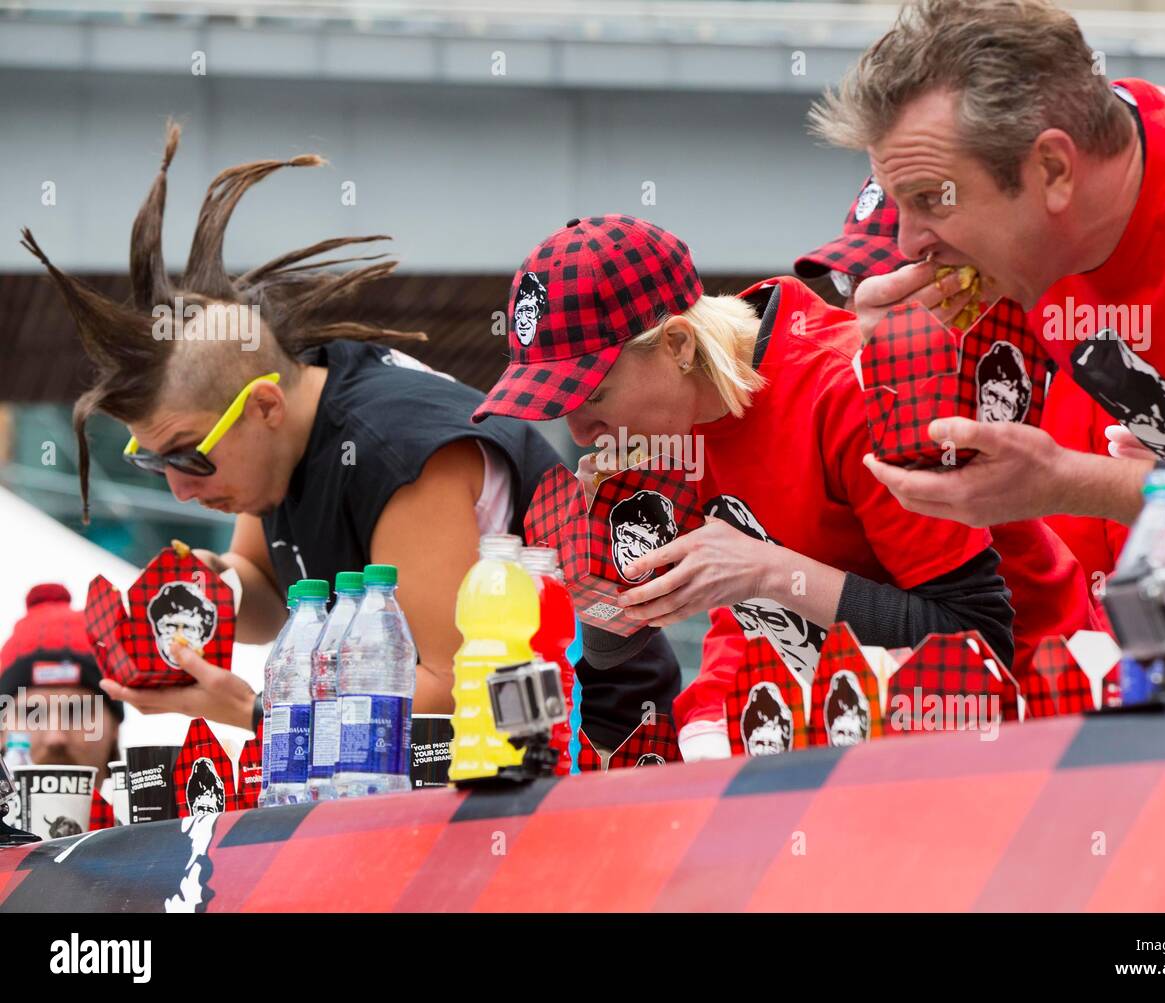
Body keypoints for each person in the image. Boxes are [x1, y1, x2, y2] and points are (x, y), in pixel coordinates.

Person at [21, 123, 680, 753]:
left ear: (264, 407)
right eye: (153, 460)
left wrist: (251, 709)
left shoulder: (397, 457)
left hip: (590, 740)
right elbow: (271, 588)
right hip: (466, 748)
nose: (180, 487)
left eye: (190, 453)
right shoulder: (282, 423)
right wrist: (207, 593)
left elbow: (447, 686)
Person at [471, 215, 1014, 761]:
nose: (581, 434)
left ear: (679, 345)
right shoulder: (676, 421)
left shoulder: (850, 387)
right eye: (562, 407)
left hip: (1029, 726)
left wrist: (769, 571)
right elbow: (619, 657)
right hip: (853, 739)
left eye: (594, 397)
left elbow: (976, 639)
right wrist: (601, 558)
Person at [809, 0, 1165, 557]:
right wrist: (903, 363)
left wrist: (1072, 483)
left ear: (1053, 169)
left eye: (931, 200)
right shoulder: (1032, 242)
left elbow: (1048, 479)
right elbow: (974, 470)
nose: (908, 245)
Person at [795, 180, 1107, 681]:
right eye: (849, 285)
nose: (863, 306)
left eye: (894, 286)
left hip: (1065, 687)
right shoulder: (854, 404)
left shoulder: (1088, 376)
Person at [0, 584, 123, 829]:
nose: (56, 738)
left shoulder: (163, 844)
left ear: (114, 729)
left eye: (77, 712)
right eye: (31, 713)